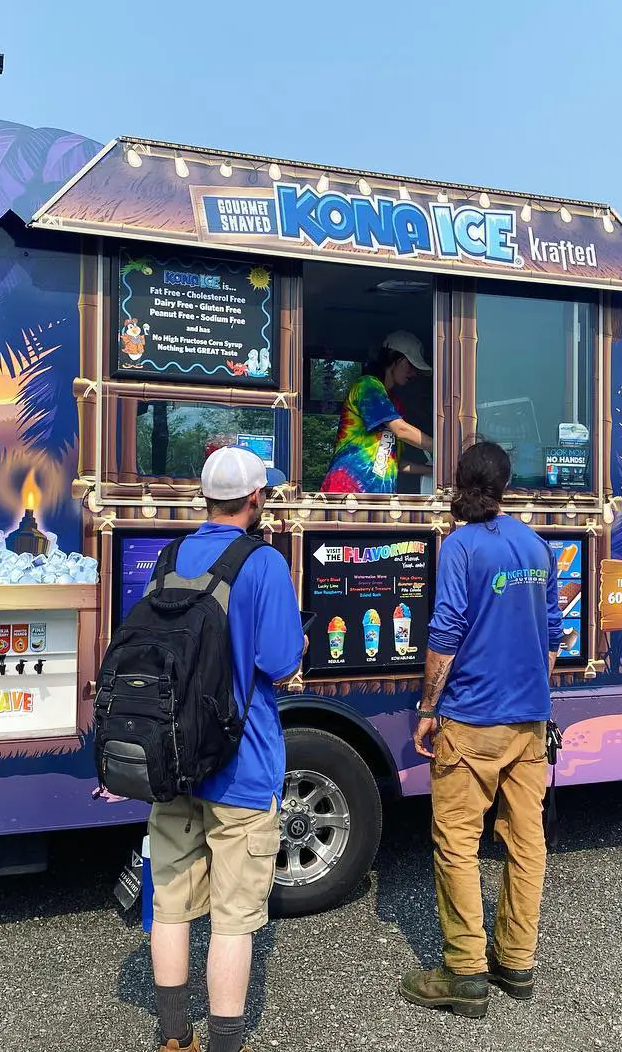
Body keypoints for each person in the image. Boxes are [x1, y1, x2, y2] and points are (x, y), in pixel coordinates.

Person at [147, 447, 305, 1052]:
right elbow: (280, 662)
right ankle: (225, 1045)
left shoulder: (169, 557)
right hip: (242, 764)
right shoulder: (262, 563)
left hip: (175, 759)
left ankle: (174, 1037)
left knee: (170, 905)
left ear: (205, 497)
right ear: (256, 498)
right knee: (232, 919)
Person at [402, 441, 562, 1020]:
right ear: (506, 485)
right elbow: (553, 633)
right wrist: (534, 694)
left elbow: (445, 632)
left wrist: (428, 707)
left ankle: (465, 971)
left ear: (460, 481)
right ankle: (516, 962)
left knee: (457, 843)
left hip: (471, 720)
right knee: (526, 842)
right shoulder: (536, 545)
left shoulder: (460, 546)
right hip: (529, 722)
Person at [320, 330, 434, 495]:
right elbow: (401, 430)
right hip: (347, 491)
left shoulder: (395, 404)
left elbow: (396, 462)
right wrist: (443, 449)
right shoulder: (368, 386)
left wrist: (434, 470)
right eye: (411, 365)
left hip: (379, 497)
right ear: (395, 359)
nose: (414, 373)